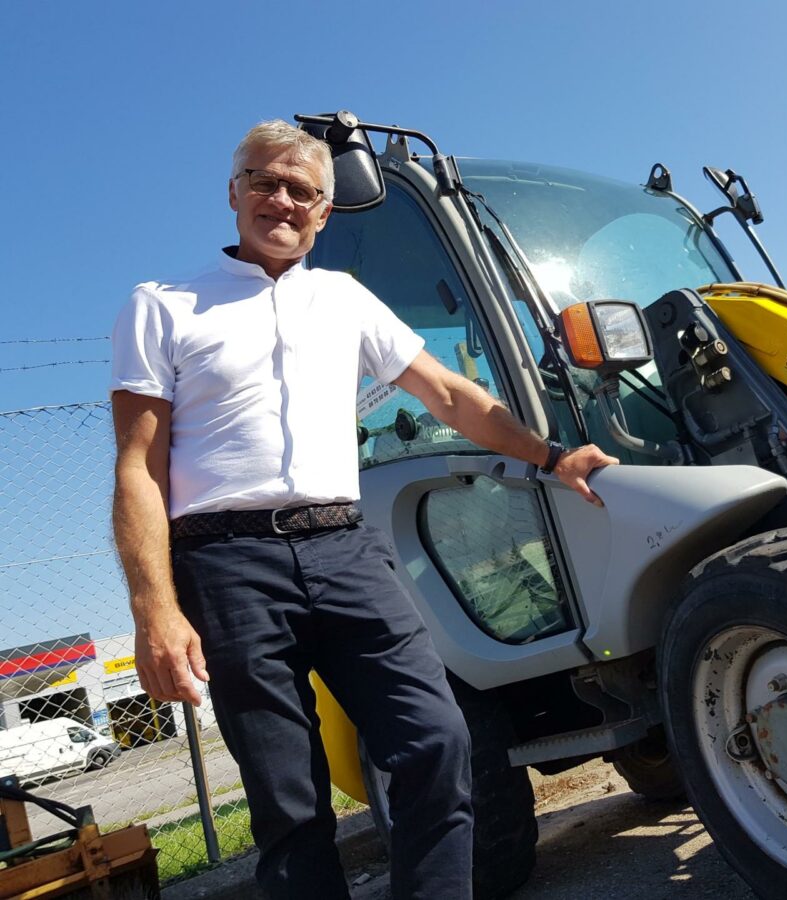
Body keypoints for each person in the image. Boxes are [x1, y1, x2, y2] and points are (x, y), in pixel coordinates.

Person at [110, 119, 617, 899]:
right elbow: (139, 467)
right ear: (234, 193)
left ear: (324, 212)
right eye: (264, 183)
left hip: (344, 548)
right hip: (226, 563)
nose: (281, 200)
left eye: (302, 191)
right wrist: (155, 609)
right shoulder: (163, 305)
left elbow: (448, 394)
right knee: (289, 799)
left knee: (436, 740)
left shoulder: (343, 298)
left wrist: (550, 457)